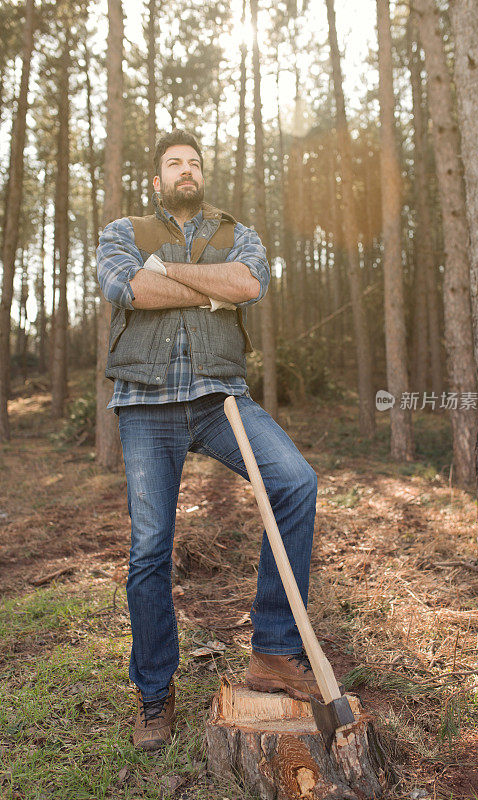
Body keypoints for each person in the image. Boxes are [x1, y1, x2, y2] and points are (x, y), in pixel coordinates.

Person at [97, 129, 324, 751]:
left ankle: (275, 650)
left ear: (204, 174)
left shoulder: (238, 233)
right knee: (150, 550)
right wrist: (208, 288)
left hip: (222, 399)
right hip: (146, 404)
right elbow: (129, 289)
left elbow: (250, 284)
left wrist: (169, 270)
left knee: (295, 482)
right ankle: (154, 691)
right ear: (157, 179)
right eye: (174, 163)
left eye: (193, 162)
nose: (185, 171)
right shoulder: (123, 231)